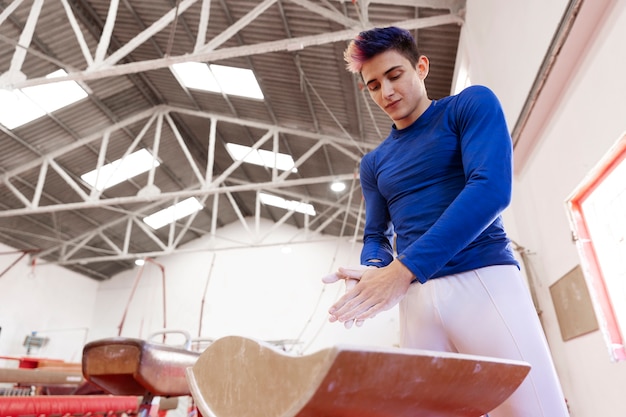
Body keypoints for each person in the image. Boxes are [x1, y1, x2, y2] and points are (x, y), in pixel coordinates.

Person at [322, 26, 569, 417]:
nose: (386, 92)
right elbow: (377, 236)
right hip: (416, 298)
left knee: (534, 412)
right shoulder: (373, 163)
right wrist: (372, 272)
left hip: (483, 281)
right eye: (373, 85)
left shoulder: (468, 106)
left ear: (420, 67)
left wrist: (400, 271)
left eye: (394, 75)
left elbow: (491, 189)